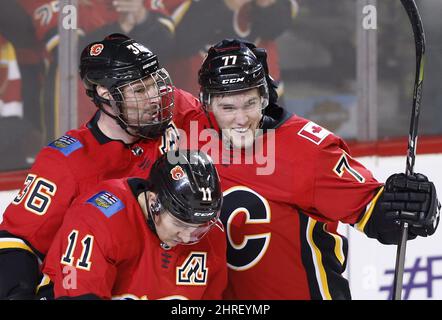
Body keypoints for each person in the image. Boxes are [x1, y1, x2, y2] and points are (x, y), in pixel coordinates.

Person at [180, 38, 441, 299]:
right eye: (227, 107)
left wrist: (408, 208)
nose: (241, 118)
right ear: (206, 105)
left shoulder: (308, 151)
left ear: (265, 96)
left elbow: (377, 214)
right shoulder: (190, 130)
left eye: (250, 103)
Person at [0, 33, 201, 300]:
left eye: (154, 84)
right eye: (140, 90)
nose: (154, 97)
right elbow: (17, 240)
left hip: (171, 277)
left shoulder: (172, 109)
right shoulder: (66, 160)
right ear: (106, 94)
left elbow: (222, 119)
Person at [40, 150, 226, 300]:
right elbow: (78, 294)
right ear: (154, 201)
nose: (187, 237)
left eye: (200, 227)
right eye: (179, 223)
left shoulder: (212, 234)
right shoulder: (97, 219)